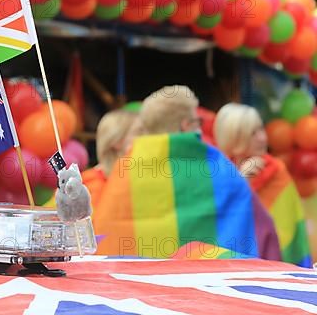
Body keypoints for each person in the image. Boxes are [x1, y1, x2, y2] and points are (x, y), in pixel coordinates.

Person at [93, 85, 281, 261]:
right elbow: (262, 231)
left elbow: (106, 237)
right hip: (207, 288)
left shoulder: (124, 171)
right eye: (197, 121)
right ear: (185, 125)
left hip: (138, 289)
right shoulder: (213, 166)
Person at [214, 103, 311, 266]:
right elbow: (218, 223)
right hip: (229, 266)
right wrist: (241, 181)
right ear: (233, 137)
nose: (263, 138)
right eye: (252, 133)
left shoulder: (277, 171)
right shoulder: (217, 172)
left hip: (274, 267)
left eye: (261, 129)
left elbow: (289, 232)